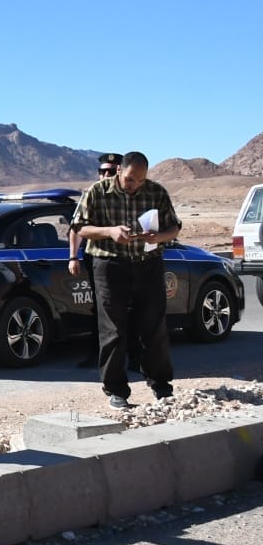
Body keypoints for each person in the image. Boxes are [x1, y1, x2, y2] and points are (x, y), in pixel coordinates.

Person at [69, 151, 181, 410]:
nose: (135, 185)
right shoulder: (97, 192)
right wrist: (109, 231)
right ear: (119, 170)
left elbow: (174, 226)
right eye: (131, 179)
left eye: (141, 180)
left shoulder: (156, 192)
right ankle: (116, 389)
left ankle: (161, 386)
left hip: (148, 264)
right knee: (113, 329)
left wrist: (159, 237)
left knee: (154, 326)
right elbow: (79, 227)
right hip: (110, 265)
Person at [68, 153, 122, 369]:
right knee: (101, 307)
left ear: (120, 171)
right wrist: (73, 256)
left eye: (111, 171)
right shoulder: (91, 194)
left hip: (127, 258)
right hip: (97, 257)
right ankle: (99, 355)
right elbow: (76, 228)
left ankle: (135, 357)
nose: (105, 175)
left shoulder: (131, 194)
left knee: (131, 307)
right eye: (102, 171)